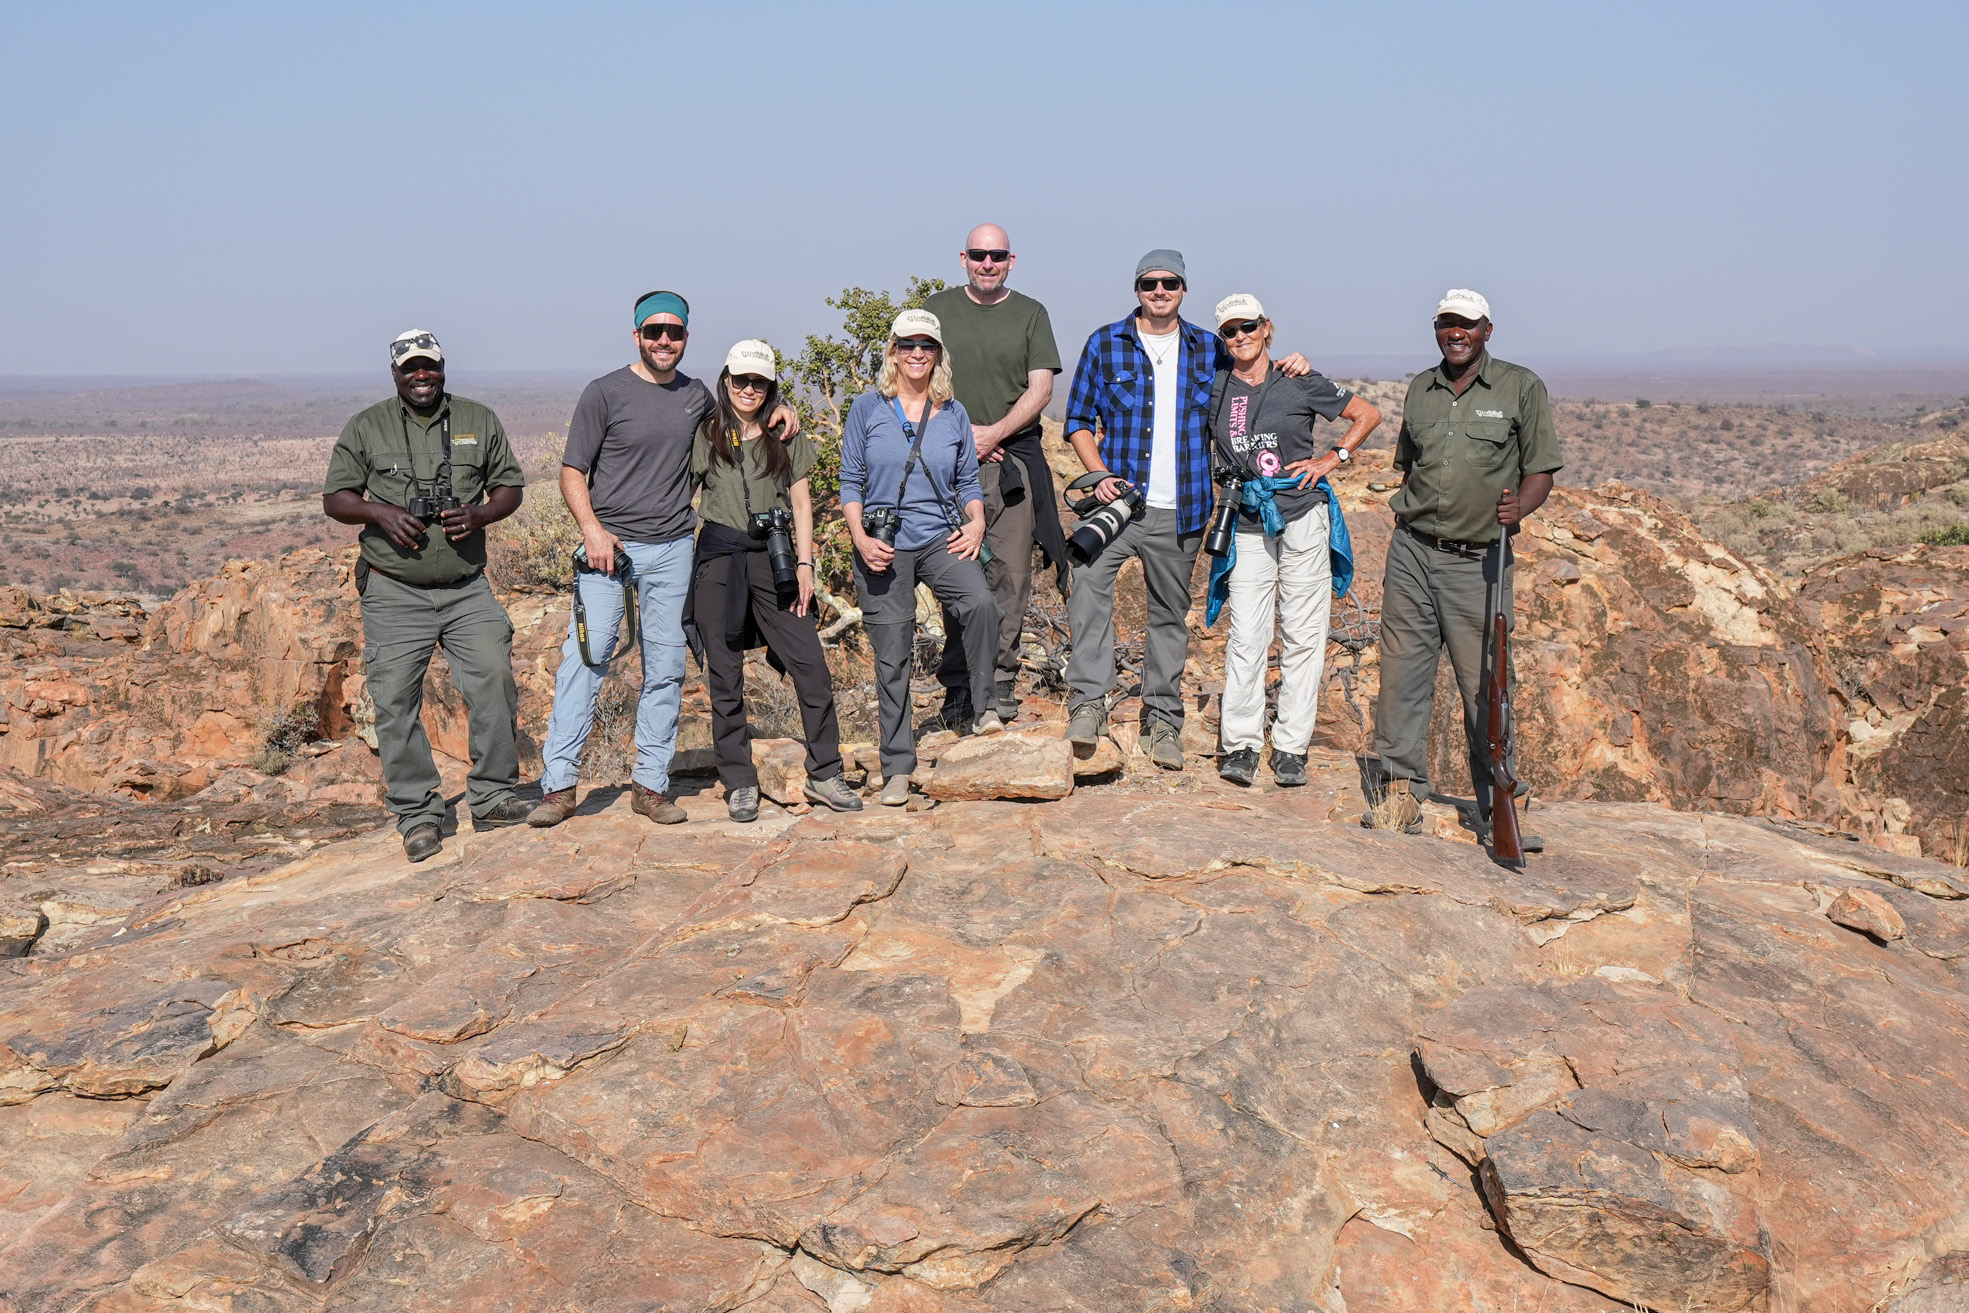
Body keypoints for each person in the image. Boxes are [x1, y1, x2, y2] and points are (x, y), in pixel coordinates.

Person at [527, 290, 800, 829]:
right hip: (610, 550)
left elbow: (742, 409)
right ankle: (558, 786)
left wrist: (780, 407)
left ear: (686, 338)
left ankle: (650, 784)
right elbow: (572, 470)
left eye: (674, 332)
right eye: (653, 331)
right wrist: (593, 531)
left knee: (668, 668)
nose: (664, 340)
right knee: (588, 657)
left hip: (675, 546)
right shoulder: (604, 393)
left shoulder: (696, 395)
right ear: (636, 335)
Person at [1060, 250, 1310, 770]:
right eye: (1149, 283)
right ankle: (1087, 703)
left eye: (1169, 282)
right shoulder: (1105, 343)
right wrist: (1100, 474)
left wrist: (1295, 366)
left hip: (1185, 508)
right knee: (1087, 584)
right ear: (1137, 290)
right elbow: (1079, 419)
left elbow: (1252, 379)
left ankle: (1163, 722)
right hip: (1119, 505)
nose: (1159, 290)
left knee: (1170, 617)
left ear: (1182, 289)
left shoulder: (1208, 348)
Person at [1362, 290, 1562, 848]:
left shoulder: (1521, 387)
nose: (1455, 332)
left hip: (1480, 560)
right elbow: (1411, 467)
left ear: (1487, 330)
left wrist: (1519, 507)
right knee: (1402, 674)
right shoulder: (1420, 390)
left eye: (1465, 325)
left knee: (1487, 683)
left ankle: (1498, 801)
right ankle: (1400, 793)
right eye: (1446, 323)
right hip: (1412, 552)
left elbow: (1541, 469)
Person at [322, 330, 530, 862]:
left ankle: (493, 797)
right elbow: (336, 498)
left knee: (494, 680)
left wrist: (480, 513)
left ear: (443, 368)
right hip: (394, 589)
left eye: (429, 366)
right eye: (410, 367)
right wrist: (379, 513)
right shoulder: (367, 426)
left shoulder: (477, 420)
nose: (421, 376)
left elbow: (510, 485)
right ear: (394, 373)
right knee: (394, 700)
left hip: (466, 587)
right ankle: (418, 814)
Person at [1203, 294, 1380, 788]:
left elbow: (1367, 414)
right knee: (1247, 635)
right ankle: (1240, 744)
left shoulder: (1299, 380)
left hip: (1302, 515)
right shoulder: (1215, 387)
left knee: (1304, 635)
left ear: (1266, 328)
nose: (1240, 337)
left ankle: (1291, 747)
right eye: (1230, 331)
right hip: (1247, 519)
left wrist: (1332, 459)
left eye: (1248, 327)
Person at [688, 340, 862, 822]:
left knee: (810, 664)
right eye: (741, 380)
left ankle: (826, 772)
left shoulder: (784, 433)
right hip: (719, 558)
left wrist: (806, 566)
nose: (749, 389)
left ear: (770, 387)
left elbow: (802, 503)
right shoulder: (706, 432)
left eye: (759, 382)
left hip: (776, 557)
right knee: (724, 675)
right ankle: (739, 781)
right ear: (726, 380)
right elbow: (683, 498)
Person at [841, 309, 1000, 807]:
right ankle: (896, 767)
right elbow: (851, 482)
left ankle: (984, 707)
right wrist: (861, 538)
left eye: (926, 345)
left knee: (980, 604)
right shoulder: (868, 408)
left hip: (937, 537)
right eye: (907, 344)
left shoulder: (951, 410)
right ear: (893, 351)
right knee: (893, 653)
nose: (916, 353)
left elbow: (968, 482)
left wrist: (976, 522)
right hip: (883, 543)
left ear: (937, 354)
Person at [922, 224, 1066, 727]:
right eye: (979, 255)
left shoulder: (1030, 314)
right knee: (958, 577)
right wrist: (964, 439)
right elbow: (914, 379)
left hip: (1013, 463)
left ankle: (999, 682)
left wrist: (995, 433)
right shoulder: (936, 312)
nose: (988, 263)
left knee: (1010, 575)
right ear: (963, 257)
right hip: (946, 467)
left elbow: (1041, 388)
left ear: (1011, 260)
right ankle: (960, 687)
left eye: (997, 255)